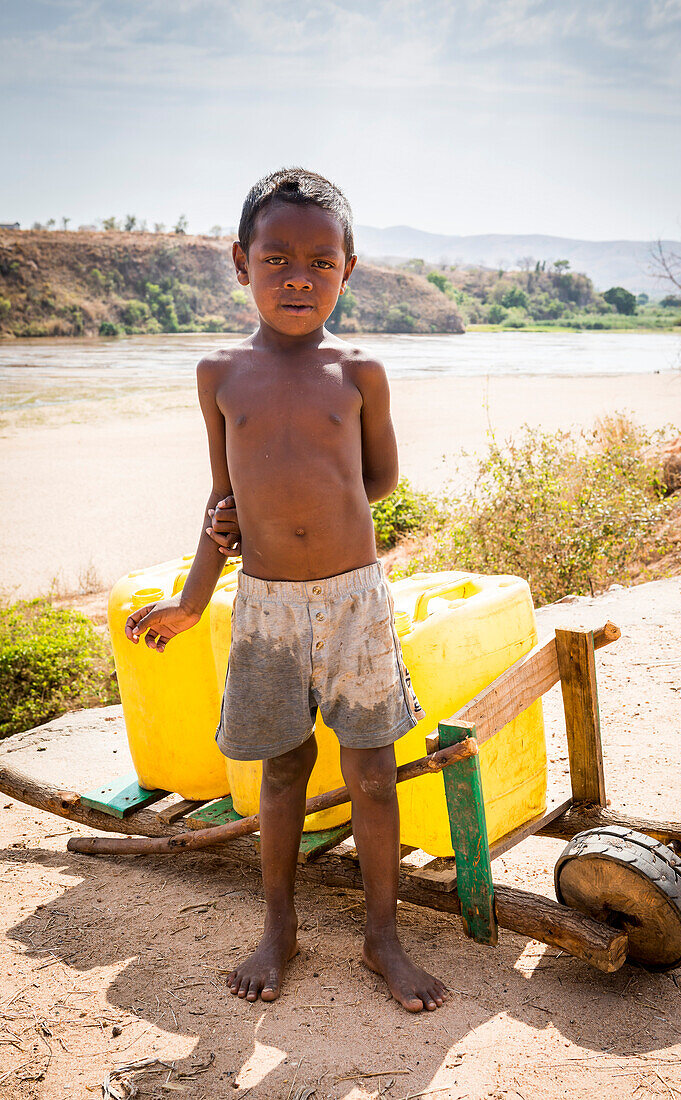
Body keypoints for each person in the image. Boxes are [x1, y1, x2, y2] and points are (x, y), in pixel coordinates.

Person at [124, 167, 447, 1013]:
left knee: (372, 771)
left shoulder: (360, 371)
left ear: (349, 268)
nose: (297, 277)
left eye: (318, 261)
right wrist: (195, 597)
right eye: (276, 259)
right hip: (264, 603)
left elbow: (376, 480)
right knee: (281, 769)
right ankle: (279, 928)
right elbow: (220, 499)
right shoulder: (219, 373)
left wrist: (314, 506)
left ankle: (382, 937)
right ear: (240, 263)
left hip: (355, 600)